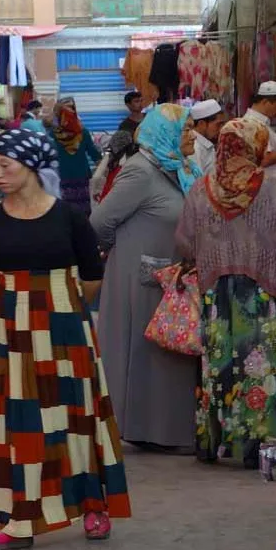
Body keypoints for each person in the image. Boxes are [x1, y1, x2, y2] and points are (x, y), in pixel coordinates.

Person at [0, 128, 129, 550]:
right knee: (19, 424)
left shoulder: (68, 218)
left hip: (66, 326)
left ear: (32, 165)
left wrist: (54, 301)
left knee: (79, 416)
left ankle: (93, 506)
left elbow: (92, 277)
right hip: (12, 331)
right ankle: (20, 520)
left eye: (6, 165)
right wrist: (27, 299)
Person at [175, 115, 276, 465]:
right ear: (255, 145)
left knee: (218, 365)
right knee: (261, 367)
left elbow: (185, 242)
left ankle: (212, 443)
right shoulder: (272, 189)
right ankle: (257, 449)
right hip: (264, 294)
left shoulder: (201, 188)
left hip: (216, 293)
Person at [92, 103, 199, 453]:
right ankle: (146, 429)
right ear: (165, 133)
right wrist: (124, 250)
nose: (192, 136)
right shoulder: (140, 171)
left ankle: (162, 430)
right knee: (143, 353)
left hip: (170, 277)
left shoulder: (179, 169)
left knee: (166, 357)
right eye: (186, 130)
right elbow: (100, 222)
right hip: (139, 278)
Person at [50, 97, 102, 214]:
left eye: (72, 108)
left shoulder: (52, 134)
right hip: (77, 178)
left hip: (66, 179)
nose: (70, 112)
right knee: (81, 213)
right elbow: (95, 156)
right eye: (68, 109)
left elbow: (95, 156)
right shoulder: (82, 132)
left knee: (66, 213)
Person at [90, 129, 138, 204]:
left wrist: (95, 190)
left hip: (107, 195)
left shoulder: (109, 154)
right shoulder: (131, 160)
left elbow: (96, 176)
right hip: (122, 198)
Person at [187, 99, 224, 176]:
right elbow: (196, 183)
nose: (221, 129)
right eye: (218, 125)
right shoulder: (194, 147)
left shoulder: (207, 144)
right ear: (201, 124)